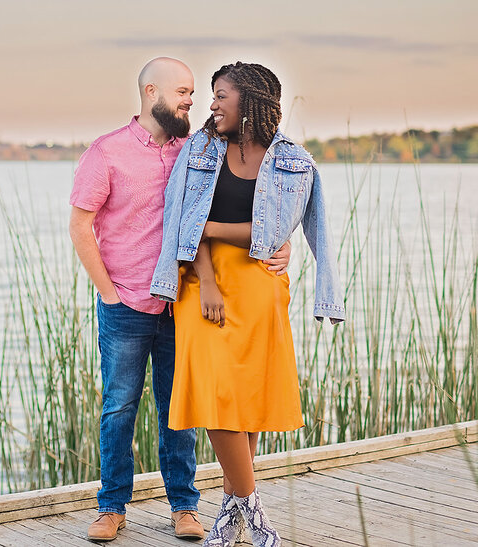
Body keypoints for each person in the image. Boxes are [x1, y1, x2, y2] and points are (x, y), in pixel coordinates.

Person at [69, 57, 293, 542]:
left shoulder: (197, 150)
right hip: (126, 301)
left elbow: (243, 202)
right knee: (119, 408)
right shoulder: (105, 153)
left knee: (181, 410)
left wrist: (281, 240)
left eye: (197, 93)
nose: (194, 102)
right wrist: (108, 293)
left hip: (181, 303)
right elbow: (80, 226)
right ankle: (112, 509)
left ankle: (185, 508)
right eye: (184, 93)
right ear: (151, 92)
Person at [150, 62, 345, 547]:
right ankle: (254, 511)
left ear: (250, 102)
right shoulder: (198, 150)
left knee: (248, 403)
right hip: (203, 284)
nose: (211, 104)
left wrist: (212, 228)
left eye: (220, 95)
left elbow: (272, 234)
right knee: (217, 395)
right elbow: (181, 222)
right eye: (211, 95)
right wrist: (208, 280)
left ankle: (231, 514)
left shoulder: (293, 162)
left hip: (260, 288)